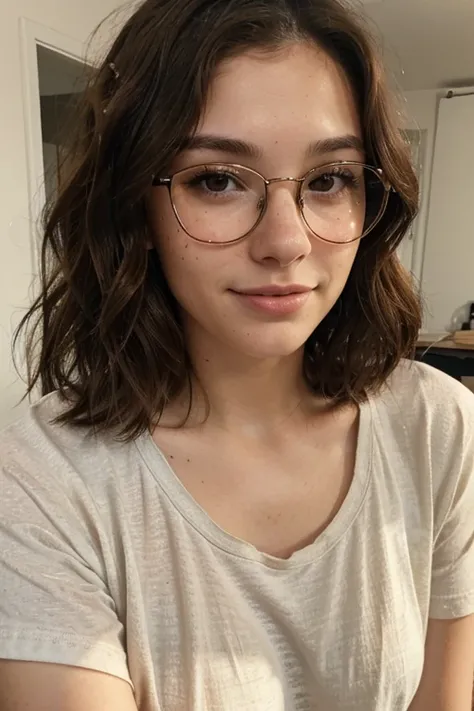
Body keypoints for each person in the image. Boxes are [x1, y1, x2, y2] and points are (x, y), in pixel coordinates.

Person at [1, 0, 474, 708]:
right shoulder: (43, 478)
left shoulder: (440, 428)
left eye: (328, 179)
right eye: (217, 178)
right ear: (137, 207)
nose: (286, 241)